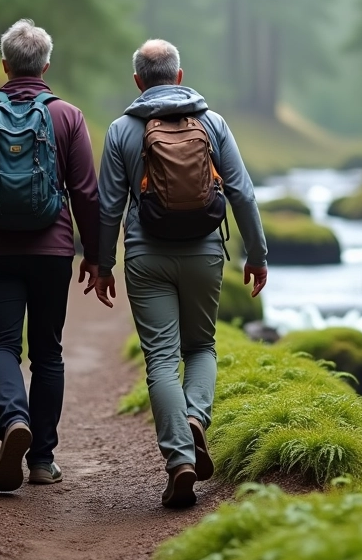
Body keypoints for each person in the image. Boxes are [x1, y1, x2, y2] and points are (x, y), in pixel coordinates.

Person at [94, 39, 267, 508]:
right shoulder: (212, 123)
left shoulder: (121, 130)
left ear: (137, 81)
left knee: (161, 359)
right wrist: (257, 254)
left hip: (146, 256)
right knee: (202, 346)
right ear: (179, 75)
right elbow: (243, 194)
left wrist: (101, 262)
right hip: (205, 253)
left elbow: (109, 205)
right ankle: (196, 418)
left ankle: (179, 461)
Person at [0, 19, 101, 492]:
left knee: (2, 346)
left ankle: (14, 419)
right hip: (53, 250)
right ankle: (41, 460)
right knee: (48, 353)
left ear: (4, 65)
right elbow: (85, 193)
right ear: (46, 65)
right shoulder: (68, 116)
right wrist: (96, 256)